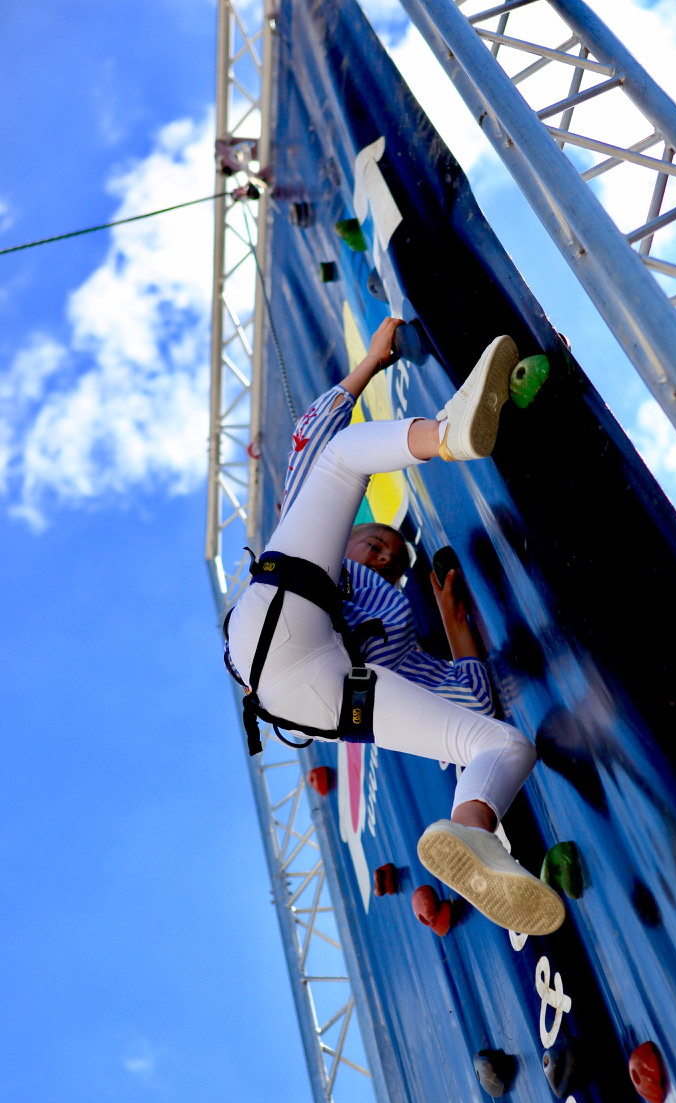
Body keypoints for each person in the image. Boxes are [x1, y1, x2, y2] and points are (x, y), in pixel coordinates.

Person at [225, 318, 565, 936]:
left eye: (388, 555)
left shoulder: (397, 621)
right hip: (272, 641)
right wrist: (371, 365)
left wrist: (455, 625)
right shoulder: (302, 526)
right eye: (375, 544)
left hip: (317, 697)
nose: (382, 554)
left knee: (503, 746)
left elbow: (472, 699)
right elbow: (313, 439)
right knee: (340, 455)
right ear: (348, 531)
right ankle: (447, 433)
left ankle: (470, 832)